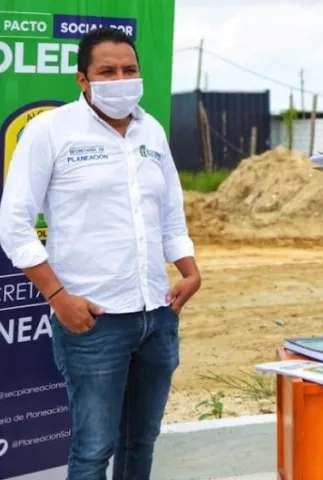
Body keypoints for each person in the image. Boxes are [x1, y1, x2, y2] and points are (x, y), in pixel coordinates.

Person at [0, 27, 200, 479]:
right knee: (93, 450)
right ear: (82, 79)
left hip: (157, 315)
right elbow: (14, 224)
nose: (121, 78)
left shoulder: (152, 130)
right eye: (107, 71)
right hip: (94, 320)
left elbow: (170, 213)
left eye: (129, 69)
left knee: (141, 441)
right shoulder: (50, 131)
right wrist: (57, 298)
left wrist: (190, 271)